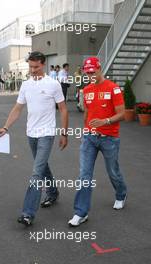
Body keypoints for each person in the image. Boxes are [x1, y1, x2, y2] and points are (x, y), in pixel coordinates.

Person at [0, 51, 69, 226]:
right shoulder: (26, 85)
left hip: (46, 133)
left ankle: (28, 213)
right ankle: (52, 192)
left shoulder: (53, 84)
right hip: (31, 134)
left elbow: (63, 109)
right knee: (42, 166)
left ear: (43, 64)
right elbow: (18, 108)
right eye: (30, 67)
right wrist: (6, 127)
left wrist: (64, 133)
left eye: (36, 67)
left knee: (36, 172)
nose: (33, 70)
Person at [68, 57, 127, 227]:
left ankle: (121, 194)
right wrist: (85, 130)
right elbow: (87, 112)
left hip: (110, 138)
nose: (91, 75)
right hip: (90, 138)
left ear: (100, 69)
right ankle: (81, 212)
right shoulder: (86, 90)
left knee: (113, 172)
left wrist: (105, 121)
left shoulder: (113, 88)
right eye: (88, 72)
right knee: (84, 175)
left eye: (93, 72)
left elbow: (122, 114)